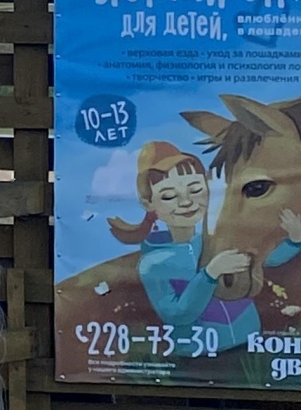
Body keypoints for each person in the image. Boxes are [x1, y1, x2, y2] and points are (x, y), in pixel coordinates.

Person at [105, 138, 301, 355]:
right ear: (148, 203)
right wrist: (210, 274)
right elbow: (177, 314)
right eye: (169, 195)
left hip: (250, 343)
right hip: (199, 360)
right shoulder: (153, 263)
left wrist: (294, 240)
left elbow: (266, 260)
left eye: (196, 189)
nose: (186, 202)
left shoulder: (213, 240)